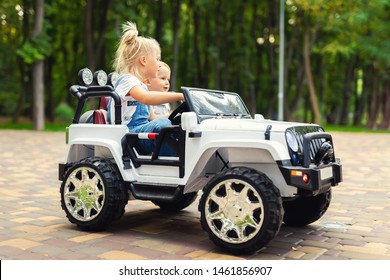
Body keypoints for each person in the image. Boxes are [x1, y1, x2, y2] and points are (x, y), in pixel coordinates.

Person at [108, 21, 183, 155]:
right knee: (163, 126)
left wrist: (178, 115)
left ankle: (180, 157)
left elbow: (152, 117)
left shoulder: (141, 85)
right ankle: (177, 160)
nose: (160, 64)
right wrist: (179, 96)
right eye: (157, 59)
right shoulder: (128, 80)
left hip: (139, 133)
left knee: (174, 124)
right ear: (144, 61)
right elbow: (146, 98)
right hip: (129, 135)